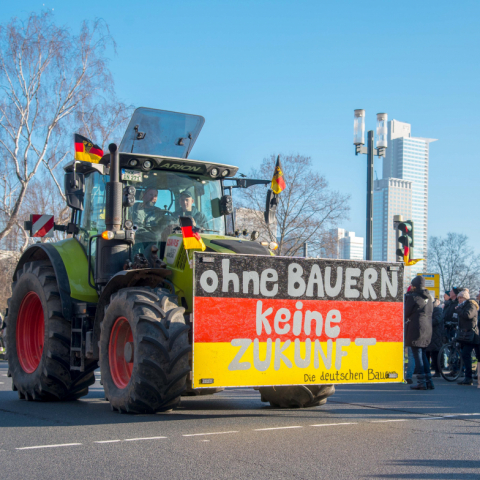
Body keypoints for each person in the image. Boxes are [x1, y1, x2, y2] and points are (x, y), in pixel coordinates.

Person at [405, 275, 434, 390]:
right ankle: (429, 381)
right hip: (427, 327)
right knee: (423, 354)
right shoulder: (429, 298)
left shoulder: (414, 297)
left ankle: (421, 382)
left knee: (417, 354)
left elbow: (406, 312)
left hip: (416, 327)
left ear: (414, 286)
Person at [455, 289, 480, 386]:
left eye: (461, 297)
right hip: (467, 335)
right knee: (466, 355)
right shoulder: (464, 306)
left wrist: (459, 310)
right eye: (458, 298)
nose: (459, 299)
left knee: (467, 355)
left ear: (465, 298)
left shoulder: (471, 305)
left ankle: (469, 377)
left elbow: (468, 315)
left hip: (472, 335)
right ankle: (468, 377)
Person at [426, 299, 443, 377]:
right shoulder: (430, 310)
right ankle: (427, 370)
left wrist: (426, 322)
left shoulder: (438, 310)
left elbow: (437, 320)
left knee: (435, 354)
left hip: (435, 335)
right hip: (430, 334)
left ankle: (437, 371)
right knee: (427, 353)